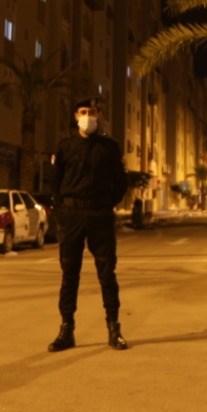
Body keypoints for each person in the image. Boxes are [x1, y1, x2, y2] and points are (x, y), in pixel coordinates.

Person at [43, 97, 129, 352]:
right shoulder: (65, 147)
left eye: (92, 112)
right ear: (75, 116)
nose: (88, 116)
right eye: (83, 112)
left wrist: (107, 204)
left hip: (100, 214)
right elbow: (55, 183)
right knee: (69, 274)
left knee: (107, 273)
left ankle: (114, 328)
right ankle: (66, 329)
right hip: (71, 216)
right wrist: (62, 211)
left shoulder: (109, 147)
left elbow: (120, 182)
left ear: (99, 115)